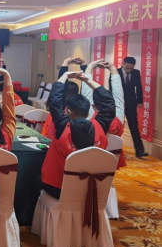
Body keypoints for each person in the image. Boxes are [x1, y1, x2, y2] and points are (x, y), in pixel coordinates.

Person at [41, 71, 116, 199]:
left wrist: (64, 76)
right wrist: (88, 80)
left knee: (35, 180)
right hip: (88, 189)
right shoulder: (100, 126)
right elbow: (109, 103)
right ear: (88, 113)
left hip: (59, 188)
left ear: (69, 112)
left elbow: (55, 101)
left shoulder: (63, 126)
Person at [82, 59, 127, 168]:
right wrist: (112, 67)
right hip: (111, 160)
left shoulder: (89, 117)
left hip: (89, 159)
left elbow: (86, 91)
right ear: (112, 103)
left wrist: (90, 66)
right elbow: (118, 93)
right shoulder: (118, 117)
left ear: (93, 106)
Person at [118, 57, 148, 159]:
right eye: (127, 68)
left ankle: (139, 150)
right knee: (115, 126)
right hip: (119, 103)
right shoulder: (116, 72)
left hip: (131, 103)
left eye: (131, 68)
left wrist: (139, 101)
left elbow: (139, 87)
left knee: (134, 126)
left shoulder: (136, 73)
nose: (129, 70)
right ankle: (112, 148)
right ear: (123, 64)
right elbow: (112, 88)